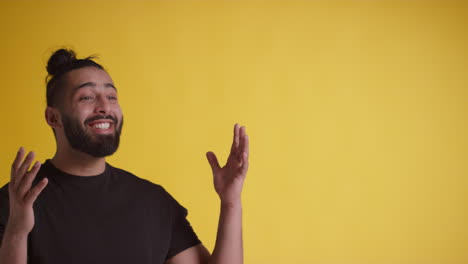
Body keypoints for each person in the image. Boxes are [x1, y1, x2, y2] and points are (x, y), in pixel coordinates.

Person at [0, 49, 249, 264]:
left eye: (111, 97)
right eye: (86, 97)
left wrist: (230, 200)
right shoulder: (16, 202)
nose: (105, 107)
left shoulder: (154, 202)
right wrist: (16, 234)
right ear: (53, 118)